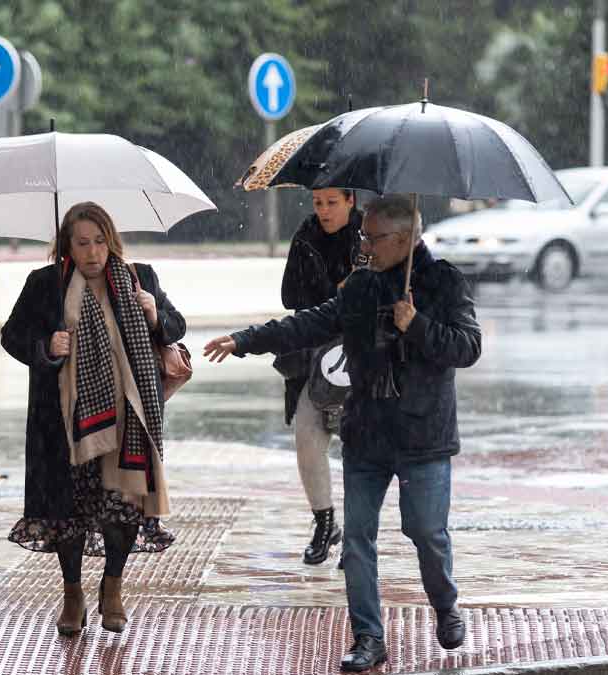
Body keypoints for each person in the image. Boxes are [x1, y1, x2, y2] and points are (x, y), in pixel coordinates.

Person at [204, 194, 480, 670]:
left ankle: (445, 604)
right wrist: (245, 340)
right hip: (367, 433)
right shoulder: (360, 286)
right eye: (363, 236)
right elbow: (309, 324)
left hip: (423, 436)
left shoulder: (443, 282)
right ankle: (368, 637)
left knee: (425, 532)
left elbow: (468, 347)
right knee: (356, 540)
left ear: (403, 240)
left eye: (372, 238)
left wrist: (417, 325)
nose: (364, 246)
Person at [2, 201, 186, 637]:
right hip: (63, 422)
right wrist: (47, 345)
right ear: (67, 245)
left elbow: (176, 327)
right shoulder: (44, 285)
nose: (93, 253)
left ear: (111, 240)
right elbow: (12, 336)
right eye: (82, 243)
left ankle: (113, 588)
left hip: (129, 420)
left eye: (100, 242)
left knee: (121, 506)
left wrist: (154, 313)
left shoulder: (139, 278)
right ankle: (72, 594)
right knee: (69, 510)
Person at [276, 188, 362, 565]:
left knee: (360, 448)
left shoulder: (369, 235)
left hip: (361, 356)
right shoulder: (305, 237)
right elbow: (288, 296)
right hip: (312, 354)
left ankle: (358, 534)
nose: (323, 211)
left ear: (350, 201)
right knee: (308, 440)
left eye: (332, 203)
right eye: (318, 203)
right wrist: (333, 293)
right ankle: (324, 522)